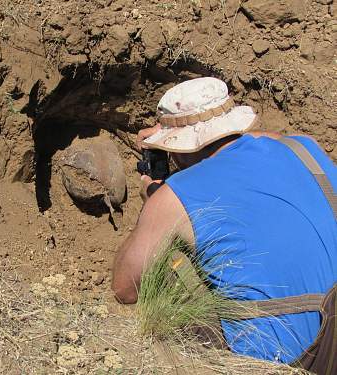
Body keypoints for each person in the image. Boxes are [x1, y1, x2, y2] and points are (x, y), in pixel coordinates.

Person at [111, 77, 336, 371]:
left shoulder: (175, 195)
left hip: (284, 361)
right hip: (332, 340)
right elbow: (260, 139)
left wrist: (153, 202)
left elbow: (124, 289)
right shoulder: (306, 149)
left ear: (178, 147)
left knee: (172, 265)